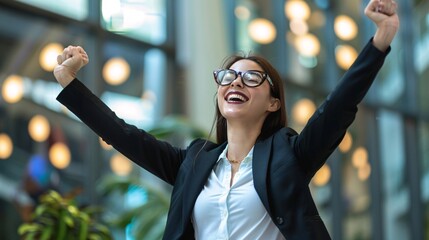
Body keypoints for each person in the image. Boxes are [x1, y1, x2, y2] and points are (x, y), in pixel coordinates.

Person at [53, 0, 399, 239]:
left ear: (274, 103)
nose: (235, 82)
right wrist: (69, 83)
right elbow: (124, 135)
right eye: (229, 77)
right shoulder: (193, 162)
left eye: (251, 78)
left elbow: (337, 108)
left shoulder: (288, 156)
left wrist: (380, 39)